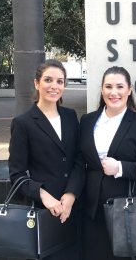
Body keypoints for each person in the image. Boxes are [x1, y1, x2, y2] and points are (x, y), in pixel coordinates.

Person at [79, 66, 136, 260]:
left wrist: (120, 168)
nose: (113, 92)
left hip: (127, 210)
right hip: (91, 209)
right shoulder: (88, 120)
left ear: (129, 89)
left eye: (119, 86)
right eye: (108, 86)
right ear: (101, 89)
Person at [8, 59, 84, 260]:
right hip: (44, 211)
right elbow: (16, 173)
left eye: (60, 81)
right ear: (36, 83)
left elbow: (78, 159)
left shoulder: (70, 116)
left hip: (73, 207)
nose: (54, 86)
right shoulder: (23, 123)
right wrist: (43, 195)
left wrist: (71, 193)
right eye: (48, 80)